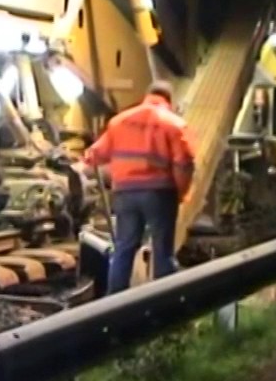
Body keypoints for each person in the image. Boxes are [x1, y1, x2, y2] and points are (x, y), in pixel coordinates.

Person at [78, 80, 196, 294]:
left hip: (124, 193)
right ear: (168, 101)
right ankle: (165, 300)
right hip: (159, 193)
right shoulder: (174, 124)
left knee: (124, 247)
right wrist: (181, 193)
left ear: (147, 95)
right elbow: (184, 163)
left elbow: (96, 154)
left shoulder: (120, 121)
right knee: (162, 250)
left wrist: (80, 164)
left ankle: (114, 303)